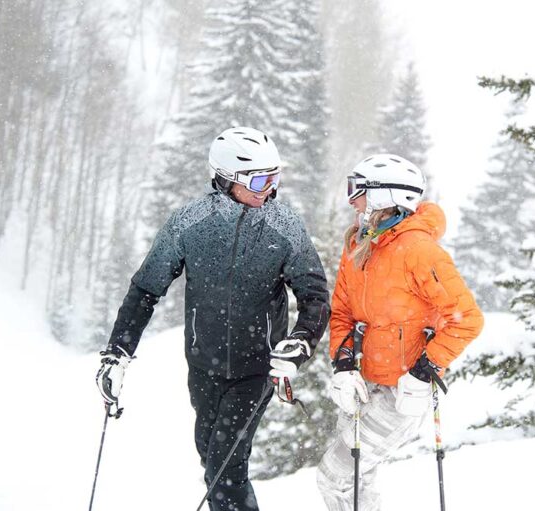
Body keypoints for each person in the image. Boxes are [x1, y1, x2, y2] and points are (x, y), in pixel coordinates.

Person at [95, 127, 330, 511]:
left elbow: (315, 296)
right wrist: (117, 353)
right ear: (226, 178)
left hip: (258, 367)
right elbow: (145, 290)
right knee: (212, 459)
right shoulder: (189, 223)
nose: (268, 189)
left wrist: (300, 343)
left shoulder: (285, 228)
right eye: (259, 179)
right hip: (203, 366)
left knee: (225, 468)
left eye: (274, 177)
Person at [317, 154, 484, 510]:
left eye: (357, 191)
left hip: (402, 393)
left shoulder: (420, 252)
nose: (352, 200)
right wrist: (343, 364)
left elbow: (466, 318)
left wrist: (425, 371)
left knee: (336, 476)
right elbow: (343, 311)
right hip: (363, 383)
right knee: (360, 479)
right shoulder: (358, 246)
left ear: (384, 196)